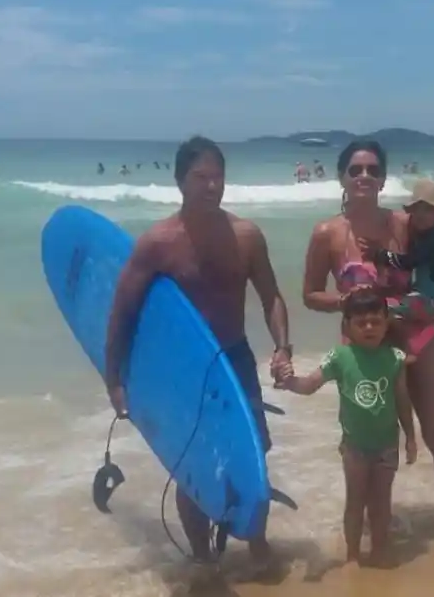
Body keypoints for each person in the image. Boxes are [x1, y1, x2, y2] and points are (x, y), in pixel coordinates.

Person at [103, 135, 292, 564]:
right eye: (200, 177)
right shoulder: (157, 243)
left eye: (218, 177)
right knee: (193, 467)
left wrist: (283, 346)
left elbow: (272, 297)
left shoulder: (246, 237)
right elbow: (122, 312)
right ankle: (204, 558)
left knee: (251, 454)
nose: (211, 186)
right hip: (184, 370)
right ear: (180, 181)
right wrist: (114, 379)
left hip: (235, 358)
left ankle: (257, 543)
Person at [302, 140, 434, 555]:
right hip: (365, 355)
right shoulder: (327, 233)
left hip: (416, 336)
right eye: (356, 169)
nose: (364, 176)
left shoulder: (404, 223)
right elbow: (310, 294)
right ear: (342, 175)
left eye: (373, 169)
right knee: (368, 440)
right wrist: (345, 301)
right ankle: (373, 528)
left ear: (383, 179)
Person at [277, 287, 417, 567]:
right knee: (355, 503)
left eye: (376, 321)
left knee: (381, 504)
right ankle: (353, 554)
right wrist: (290, 381)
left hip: (387, 446)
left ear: (386, 323)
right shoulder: (339, 357)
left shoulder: (394, 358)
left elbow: (402, 400)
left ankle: (379, 550)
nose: (369, 328)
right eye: (361, 322)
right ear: (347, 326)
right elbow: (310, 385)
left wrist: (411, 437)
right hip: (355, 448)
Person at [363, 179, 434, 324]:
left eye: (428, 210)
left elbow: (408, 262)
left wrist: (382, 255)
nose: (420, 214)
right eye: (417, 209)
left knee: (396, 309)